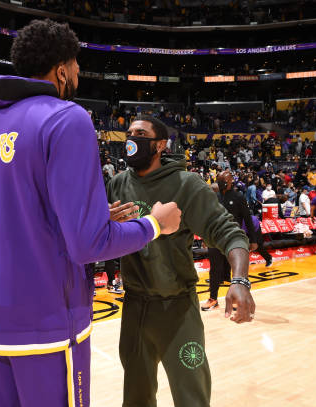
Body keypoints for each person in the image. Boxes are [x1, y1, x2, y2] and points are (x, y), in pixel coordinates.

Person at [0, 19, 181, 407]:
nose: (77, 74)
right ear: (62, 69)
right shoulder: (66, 117)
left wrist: (84, 215)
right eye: (76, 65)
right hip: (44, 325)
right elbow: (88, 244)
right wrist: (154, 225)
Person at [107, 117, 255, 407]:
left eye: (141, 133)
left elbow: (230, 233)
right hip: (135, 307)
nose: (132, 139)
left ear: (160, 144)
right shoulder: (117, 184)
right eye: (129, 134)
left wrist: (239, 279)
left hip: (177, 308)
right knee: (136, 398)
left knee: (192, 397)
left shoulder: (186, 184)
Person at [203, 169, 257, 311]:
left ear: (229, 182)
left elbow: (247, 218)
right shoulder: (214, 196)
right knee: (214, 269)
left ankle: (237, 298)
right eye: (218, 181)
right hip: (215, 238)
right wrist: (205, 236)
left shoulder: (239, 196)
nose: (219, 183)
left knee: (237, 269)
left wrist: (253, 239)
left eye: (222, 181)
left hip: (234, 239)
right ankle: (213, 299)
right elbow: (209, 218)